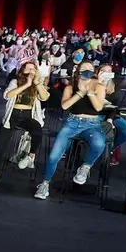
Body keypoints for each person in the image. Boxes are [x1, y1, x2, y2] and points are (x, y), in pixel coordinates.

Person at [36, 60, 107, 201]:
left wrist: (90, 92)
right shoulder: (70, 87)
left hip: (91, 123)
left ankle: (86, 167)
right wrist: (81, 92)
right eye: (84, 69)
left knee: (99, 143)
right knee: (54, 156)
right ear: (78, 71)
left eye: (90, 69)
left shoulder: (99, 87)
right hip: (72, 122)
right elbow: (65, 106)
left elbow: (99, 108)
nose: (88, 71)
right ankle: (44, 184)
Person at [0, 60, 49, 189]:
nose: (31, 71)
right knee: (0, 148)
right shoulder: (15, 82)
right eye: (28, 69)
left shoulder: (38, 83)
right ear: (22, 71)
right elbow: (7, 95)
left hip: (27, 116)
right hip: (13, 116)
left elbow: (44, 97)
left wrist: (37, 83)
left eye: (33, 69)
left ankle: (30, 156)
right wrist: (26, 84)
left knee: (38, 129)